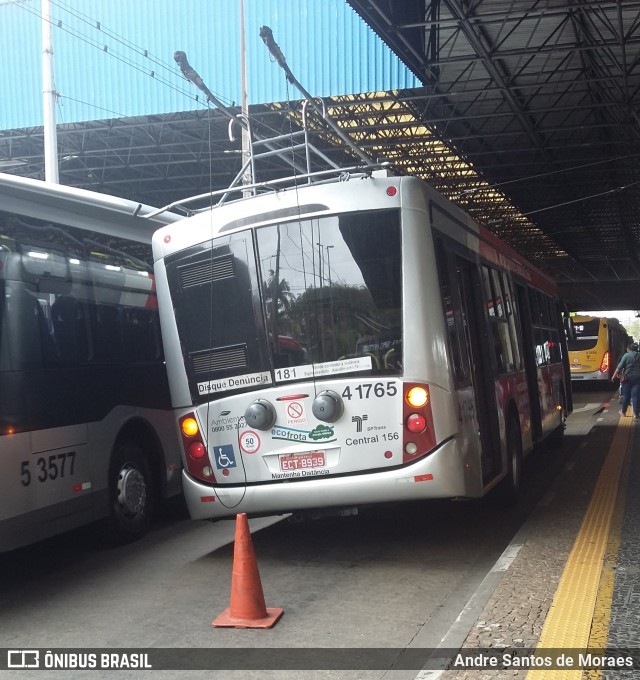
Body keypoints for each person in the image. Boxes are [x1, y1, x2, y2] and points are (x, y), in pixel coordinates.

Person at [613, 342, 640, 418]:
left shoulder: (626, 355)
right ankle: (636, 413)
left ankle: (623, 412)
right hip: (637, 378)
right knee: (635, 396)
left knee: (626, 396)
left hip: (627, 378)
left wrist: (613, 376)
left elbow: (619, 367)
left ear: (629, 349)